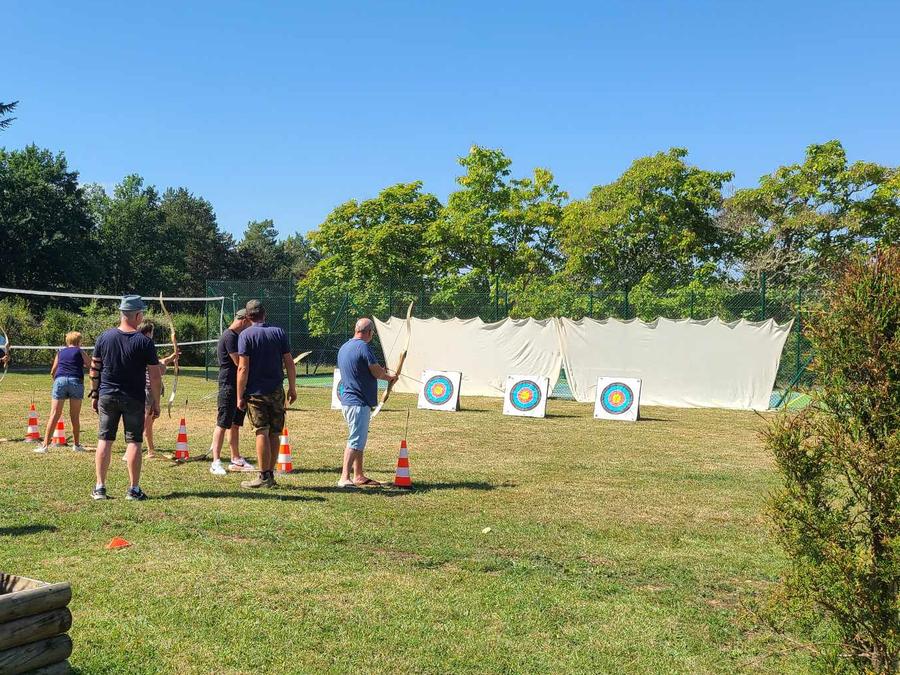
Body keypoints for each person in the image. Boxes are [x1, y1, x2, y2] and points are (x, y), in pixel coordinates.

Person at [89, 295, 161, 501]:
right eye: (142, 314)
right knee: (134, 441)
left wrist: (94, 394)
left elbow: (94, 369)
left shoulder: (104, 337)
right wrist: (156, 402)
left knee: (105, 439)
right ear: (137, 315)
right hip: (134, 398)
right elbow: (155, 376)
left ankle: (100, 487)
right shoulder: (145, 342)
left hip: (107, 395)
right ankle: (133, 489)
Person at [236, 299, 296, 489]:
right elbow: (289, 362)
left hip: (255, 393)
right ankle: (269, 475)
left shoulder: (245, 335)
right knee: (275, 432)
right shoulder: (278, 332)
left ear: (248, 317)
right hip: (276, 391)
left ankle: (263, 476)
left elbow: (243, 368)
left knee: (261, 431)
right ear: (264, 314)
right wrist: (292, 387)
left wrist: (239, 395)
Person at [336, 318, 397, 488]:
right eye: (373, 333)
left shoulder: (344, 347)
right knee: (355, 440)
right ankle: (344, 478)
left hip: (349, 401)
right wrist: (389, 378)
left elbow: (361, 369)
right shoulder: (363, 347)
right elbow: (376, 372)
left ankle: (359, 475)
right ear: (369, 332)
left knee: (359, 439)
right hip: (358, 402)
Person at [208, 309, 255, 475]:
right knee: (222, 423)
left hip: (239, 387)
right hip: (228, 386)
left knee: (235, 424)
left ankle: (236, 458)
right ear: (243, 320)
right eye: (249, 323)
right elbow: (238, 362)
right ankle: (216, 462)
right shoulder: (230, 336)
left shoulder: (238, 336)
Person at [34, 332, 92, 453]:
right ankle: (76, 445)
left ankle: (44, 446)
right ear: (79, 342)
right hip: (75, 381)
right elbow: (90, 365)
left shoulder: (60, 353)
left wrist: (57, 382)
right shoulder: (80, 351)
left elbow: (53, 371)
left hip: (60, 381)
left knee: (54, 414)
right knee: (74, 416)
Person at [135, 321, 179, 459]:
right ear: (148, 332)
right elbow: (157, 368)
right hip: (148, 391)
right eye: (152, 331)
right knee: (146, 422)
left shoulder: (140, 345)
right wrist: (167, 362)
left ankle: (149, 449)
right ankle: (138, 450)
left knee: (149, 421)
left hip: (149, 391)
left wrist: (171, 358)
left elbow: (158, 363)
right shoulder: (145, 345)